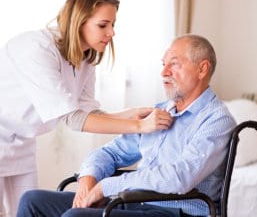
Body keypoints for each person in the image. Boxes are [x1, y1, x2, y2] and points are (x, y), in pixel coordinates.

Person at [0, 0, 172, 217]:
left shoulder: (87, 58)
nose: (111, 33)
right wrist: (139, 126)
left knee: (27, 209)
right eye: (103, 25)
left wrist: (129, 113)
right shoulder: (36, 48)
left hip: (22, 137)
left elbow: (88, 111)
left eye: (113, 25)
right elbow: (74, 119)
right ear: (79, 21)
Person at [17, 34, 237, 217]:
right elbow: (110, 153)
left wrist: (106, 186)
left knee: (76, 216)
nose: (163, 72)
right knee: (33, 201)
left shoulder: (216, 120)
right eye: (163, 64)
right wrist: (88, 180)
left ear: (202, 69)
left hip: (176, 213)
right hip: (135, 204)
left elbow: (180, 178)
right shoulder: (160, 112)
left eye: (174, 64)